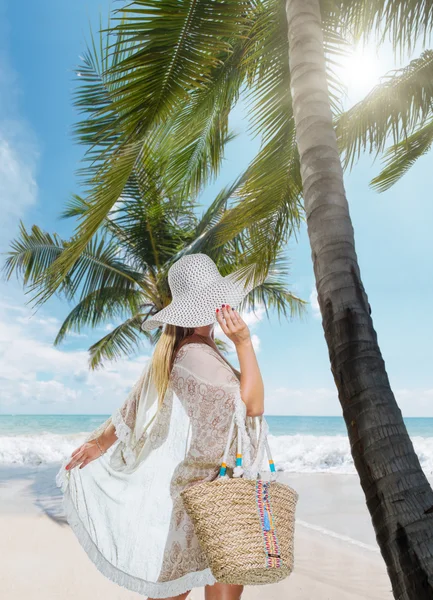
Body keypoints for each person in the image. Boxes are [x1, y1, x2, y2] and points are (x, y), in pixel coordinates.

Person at [56, 253, 267, 600]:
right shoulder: (194, 354)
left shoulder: (194, 351)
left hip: (218, 485)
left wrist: (101, 442)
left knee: (178, 587)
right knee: (180, 589)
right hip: (211, 489)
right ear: (208, 304)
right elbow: (253, 407)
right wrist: (244, 343)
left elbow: (134, 402)